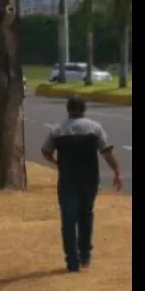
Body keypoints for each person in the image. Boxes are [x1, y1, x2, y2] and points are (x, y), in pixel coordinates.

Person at [40, 95, 122, 272]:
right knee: (86, 214)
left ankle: (72, 261)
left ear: (68, 109)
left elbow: (45, 151)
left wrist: (57, 163)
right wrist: (116, 171)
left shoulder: (57, 129)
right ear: (84, 109)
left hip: (68, 179)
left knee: (68, 218)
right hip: (89, 177)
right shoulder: (94, 127)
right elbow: (106, 152)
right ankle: (85, 253)